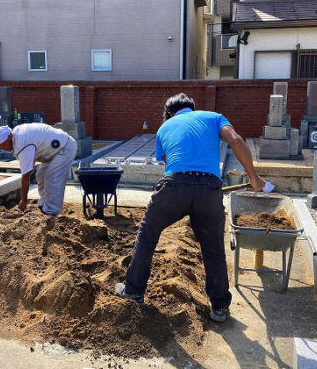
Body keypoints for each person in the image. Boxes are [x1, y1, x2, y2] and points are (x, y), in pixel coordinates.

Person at [114, 93, 267, 323]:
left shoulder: (164, 128)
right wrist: (254, 178)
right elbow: (236, 140)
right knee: (213, 247)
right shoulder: (214, 117)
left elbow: (169, 165)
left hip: (174, 186)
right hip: (209, 189)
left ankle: (133, 290)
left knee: (147, 234)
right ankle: (219, 307)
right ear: (192, 109)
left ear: (169, 114)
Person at [0, 123, 77, 216]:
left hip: (64, 148)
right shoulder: (18, 134)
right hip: (52, 152)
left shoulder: (21, 143)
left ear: (10, 136)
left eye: (4, 144)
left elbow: (25, 176)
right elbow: (35, 143)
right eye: (0, 147)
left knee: (52, 177)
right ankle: (44, 204)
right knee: (40, 175)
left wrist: (24, 200)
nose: (4, 148)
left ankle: (51, 211)